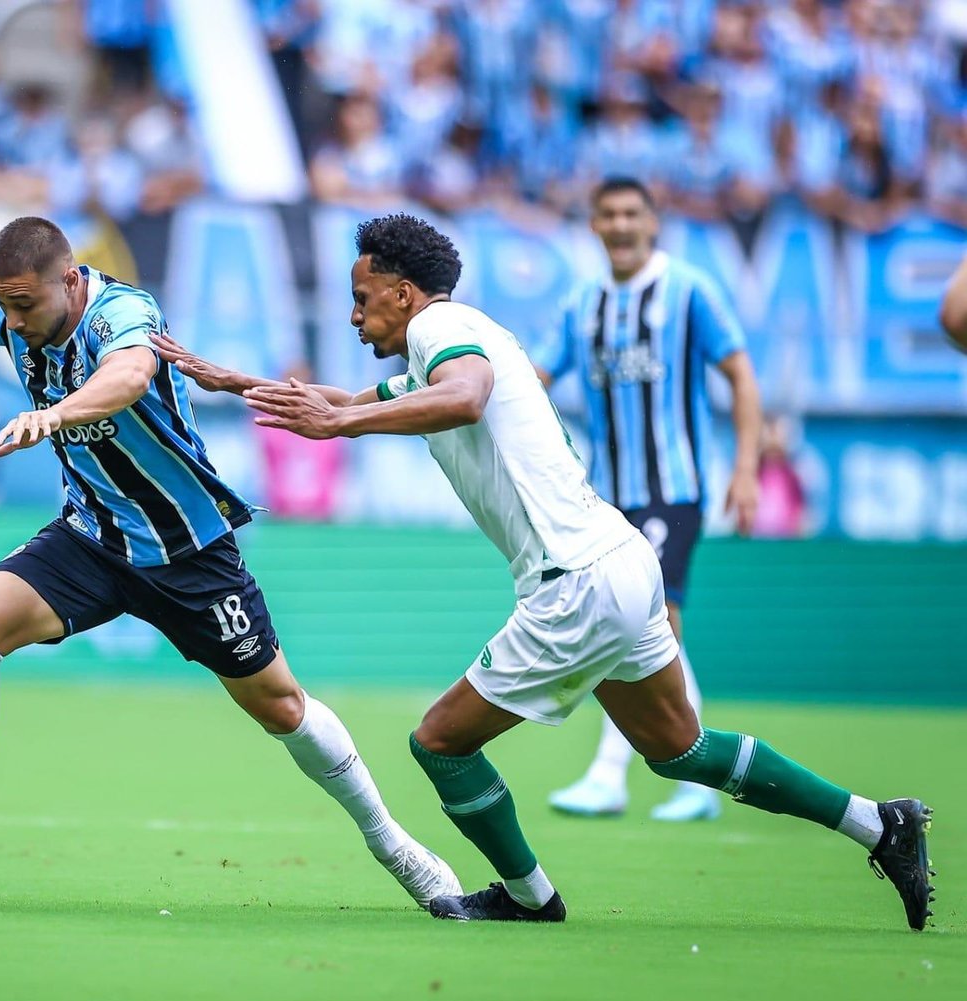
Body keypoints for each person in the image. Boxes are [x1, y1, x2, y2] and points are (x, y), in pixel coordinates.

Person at [153, 212, 933, 929]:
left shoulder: (443, 326)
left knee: (439, 744)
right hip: (623, 561)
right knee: (681, 749)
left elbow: (460, 399)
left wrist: (345, 419)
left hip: (576, 582)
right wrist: (241, 383)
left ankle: (531, 898)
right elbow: (353, 399)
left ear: (403, 290)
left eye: (363, 299)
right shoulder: (461, 332)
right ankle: (878, 821)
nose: (356, 317)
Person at [0, 216, 461, 906]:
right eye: (7, 305)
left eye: (25, 305)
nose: (13, 322)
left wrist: (55, 415)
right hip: (94, 539)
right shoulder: (16, 314)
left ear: (70, 281)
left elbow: (133, 375)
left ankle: (395, 845)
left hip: (188, 550)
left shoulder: (123, 313)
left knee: (282, 707)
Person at [534, 177, 763, 823]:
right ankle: (697, 774)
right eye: (608, 213)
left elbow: (741, 373)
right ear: (594, 225)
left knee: (643, 616)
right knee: (650, 629)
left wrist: (746, 469)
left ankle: (611, 773)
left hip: (674, 488)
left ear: (654, 222)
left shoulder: (689, 290)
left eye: (633, 212)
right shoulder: (583, 303)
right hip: (607, 498)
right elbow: (536, 378)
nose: (621, 224)